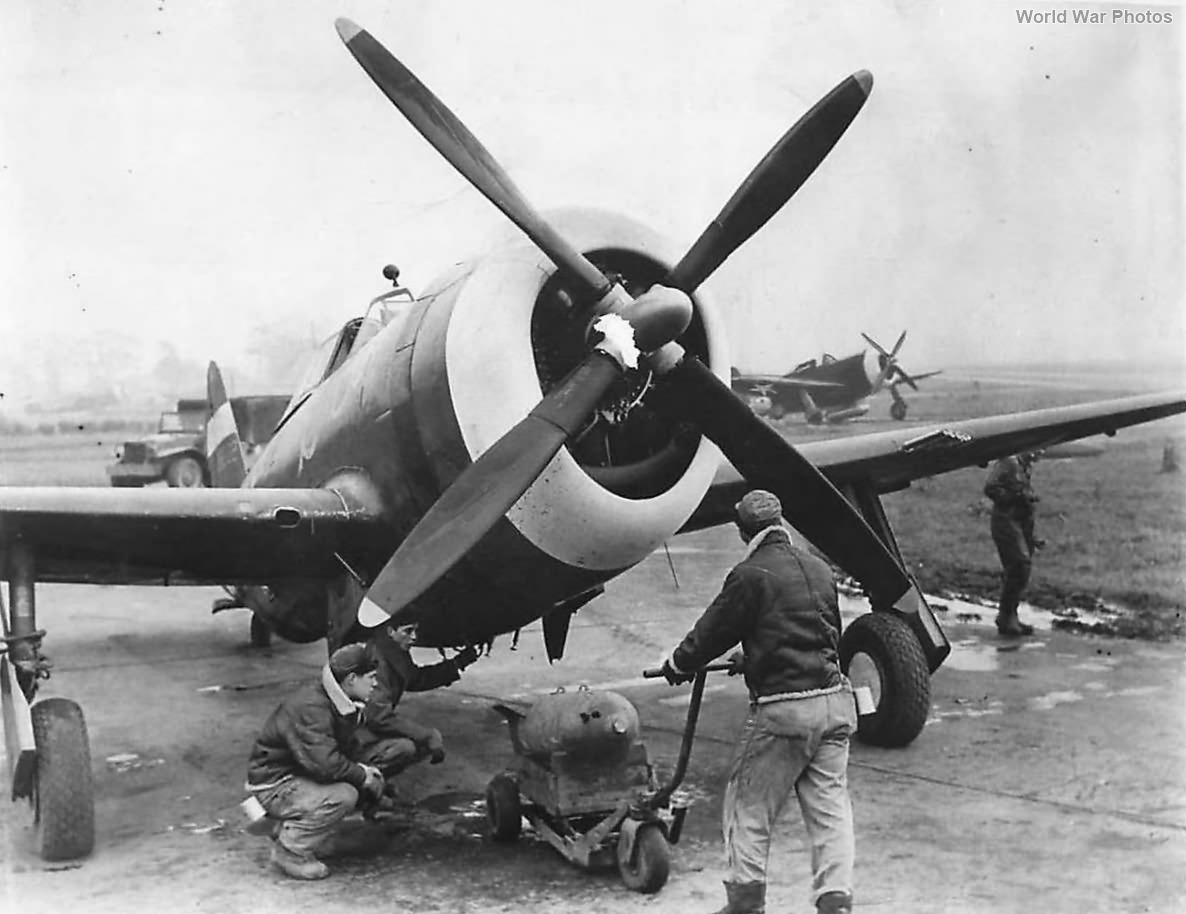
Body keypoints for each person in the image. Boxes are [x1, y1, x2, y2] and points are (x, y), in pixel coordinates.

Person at [660, 490, 856, 914]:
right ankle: (836, 900)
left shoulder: (749, 574)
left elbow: (712, 632)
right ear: (780, 523)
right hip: (834, 703)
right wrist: (753, 656)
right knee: (829, 811)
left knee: (747, 804)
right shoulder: (819, 568)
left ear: (741, 531)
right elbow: (822, 635)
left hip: (785, 709)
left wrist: (678, 663)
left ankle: (746, 902)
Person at [245, 643, 390, 880]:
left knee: (359, 781)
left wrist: (370, 774)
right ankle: (290, 851)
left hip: (297, 772)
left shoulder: (338, 698)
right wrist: (363, 776)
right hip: (274, 784)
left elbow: (344, 748)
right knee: (344, 795)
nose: (376, 683)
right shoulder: (312, 708)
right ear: (352, 679)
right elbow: (326, 765)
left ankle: (283, 826)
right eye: (371, 677)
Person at [350, 621, 479, 802]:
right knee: (406, 748)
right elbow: (378, 717)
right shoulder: (376, 661)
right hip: (351, 738)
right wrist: (426, 735)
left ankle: (371, 780)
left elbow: (415, 678)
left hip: (361, 730)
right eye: (408, 631)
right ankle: (361, 785)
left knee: (418, 743)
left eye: (415, 630)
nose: (414, 637)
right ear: (390, 631)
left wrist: (456, 664)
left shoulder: (391, 650)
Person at [984, 451, 1044, 637]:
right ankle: (1006, 617)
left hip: (1019, 522)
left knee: (1021, 570)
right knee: (1019, 565)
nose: (1040, 453)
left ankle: (1011, 615)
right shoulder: (1009, 463)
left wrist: (1032, 536)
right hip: (1005, 521)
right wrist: (1015, 496)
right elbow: (991, 487)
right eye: (1038, 449)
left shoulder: (1024, 467)